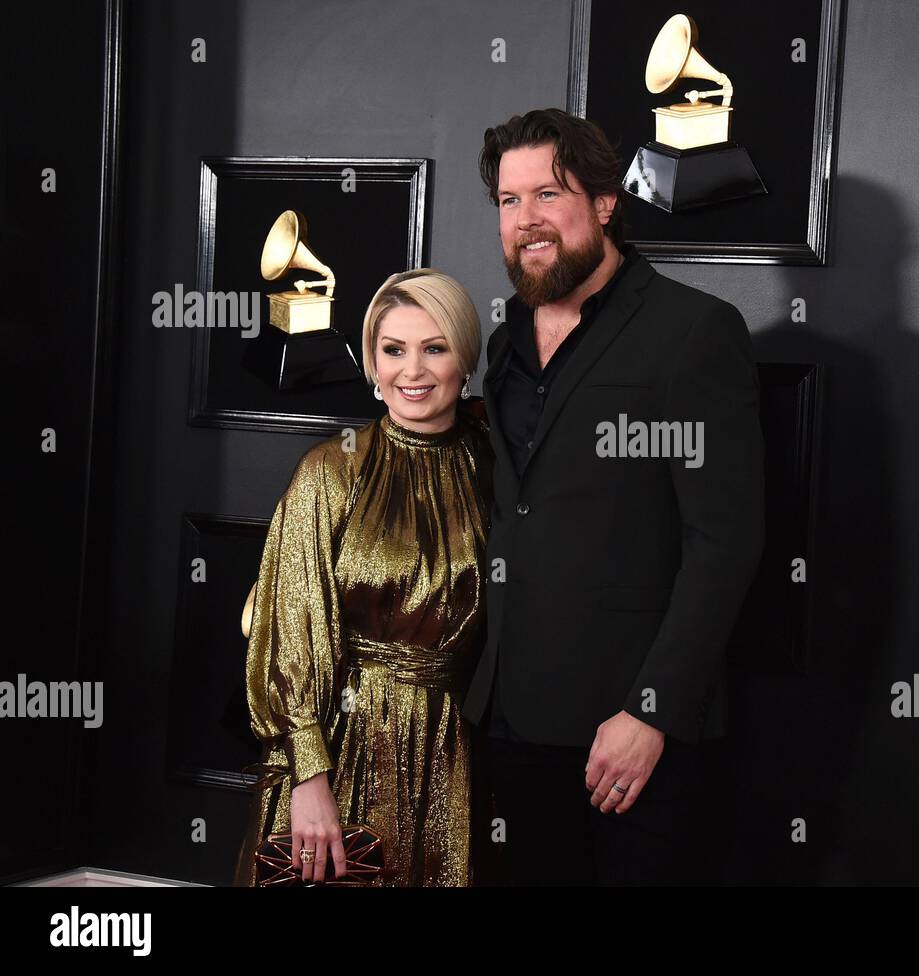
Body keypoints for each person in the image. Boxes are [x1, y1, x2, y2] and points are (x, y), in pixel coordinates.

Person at [464, 107, 765, 884]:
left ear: (604, 202)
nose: (526, 220)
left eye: (548, 195)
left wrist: (652, 711)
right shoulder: (503, 343)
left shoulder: (693, 332)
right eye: (508, 200)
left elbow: (723, 541)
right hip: (509, 715)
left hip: (629, 729)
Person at [233, 269, 492, 887]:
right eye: (393, 350)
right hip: (343, 736)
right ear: (373, 365)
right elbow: (290, 630)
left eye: (435, 348)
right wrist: (308, 776)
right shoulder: (332, 470)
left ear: (465, 358)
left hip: (452, 748)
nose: (413, 371)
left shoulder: (494, 466)